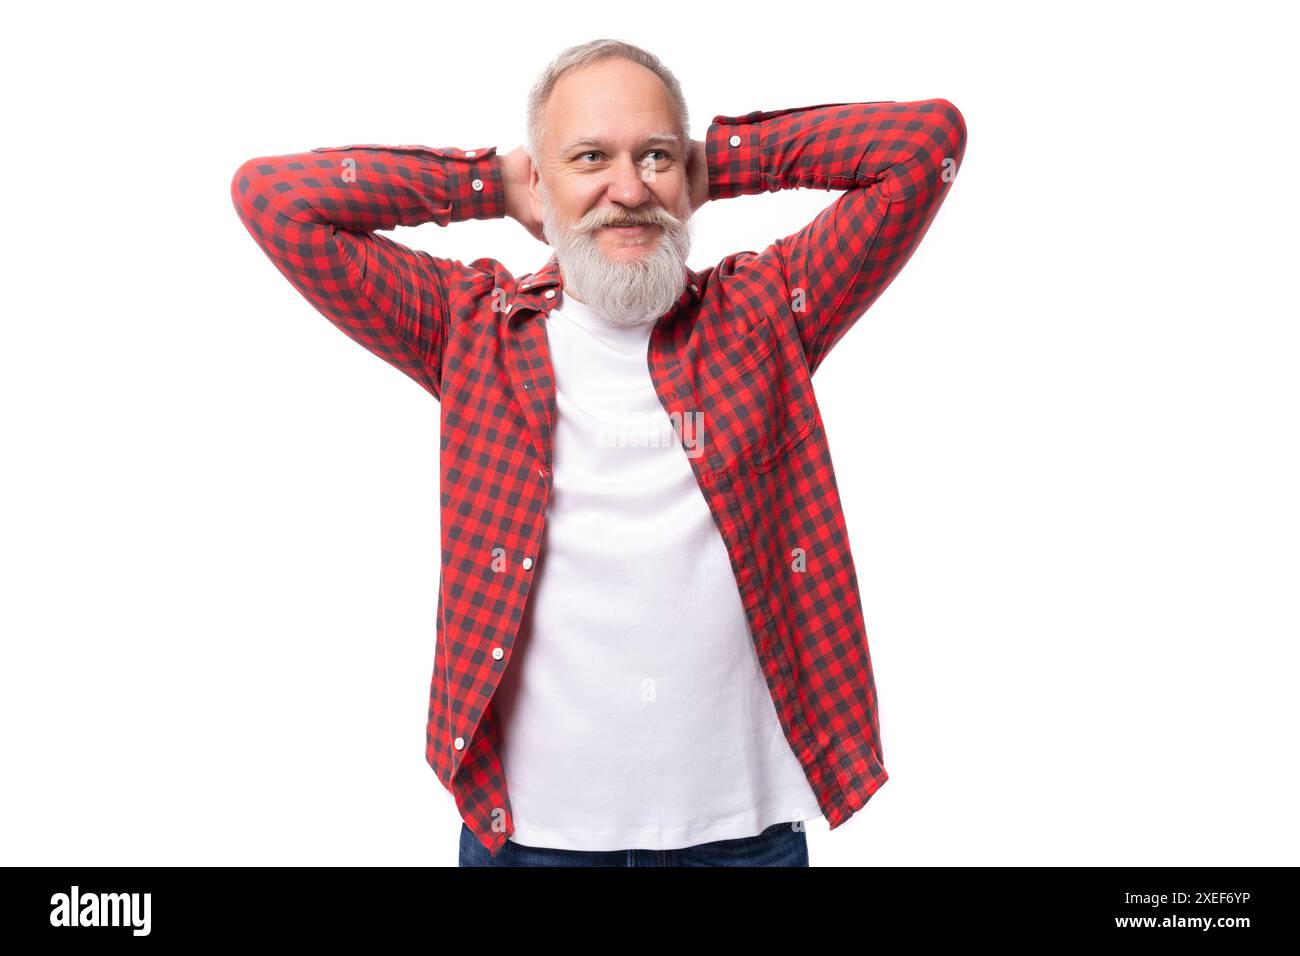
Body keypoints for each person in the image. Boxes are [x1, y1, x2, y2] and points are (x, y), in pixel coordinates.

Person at [230, 37, 966, 868]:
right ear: (536, 184)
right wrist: (485, 183)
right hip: (531, 838)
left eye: (652, 156)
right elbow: (274, 200)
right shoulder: (467, 329)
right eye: (590, 158)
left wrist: (712, 163)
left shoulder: (765, 314)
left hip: (741, 834)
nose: (627, 190)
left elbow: (923, 146)